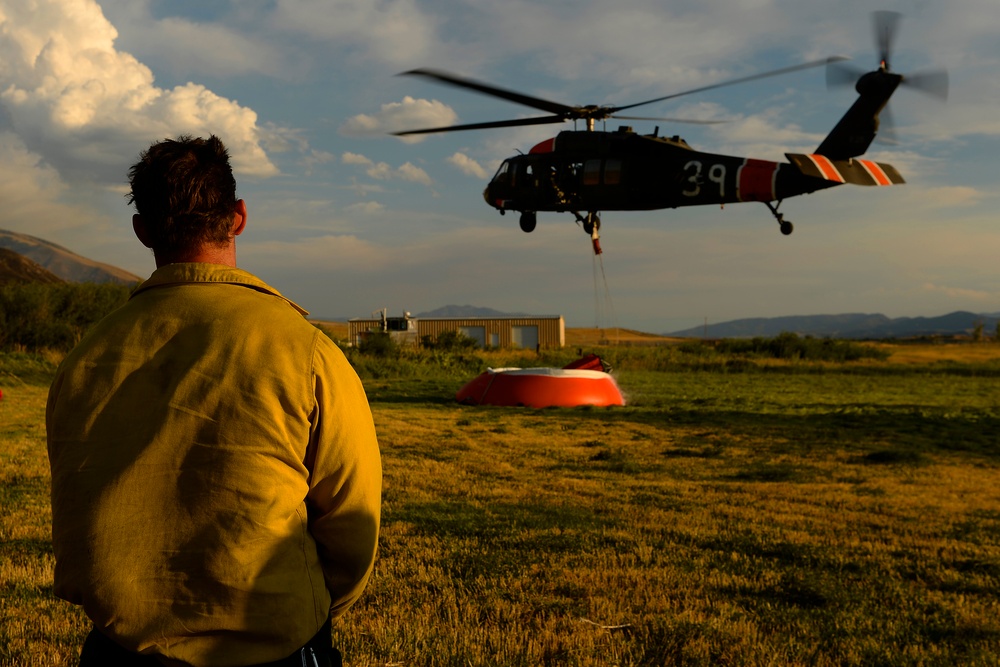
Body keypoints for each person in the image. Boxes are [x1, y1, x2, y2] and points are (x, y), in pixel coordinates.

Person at [46, 135, 381, 667]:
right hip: (272, 646)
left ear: (142, 231)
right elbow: (352, 522)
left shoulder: (85, 356)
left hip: (119, 650)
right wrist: (307, 611)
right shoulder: (304, 349)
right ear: (240, 217)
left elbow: (72, 508)